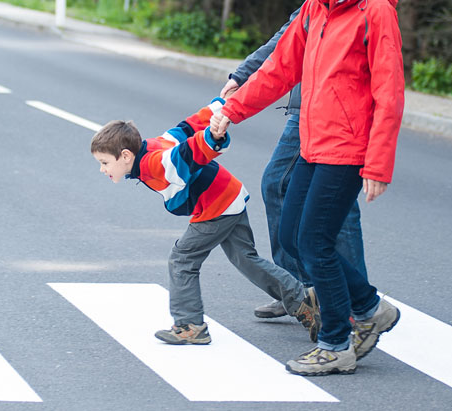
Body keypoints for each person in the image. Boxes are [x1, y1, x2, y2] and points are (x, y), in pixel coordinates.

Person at [211, 0, 403, 376]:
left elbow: (389, 92)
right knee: (298, 235)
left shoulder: (375, 8)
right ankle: (369, 305)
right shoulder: (320, 3)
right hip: (313, 142)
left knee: (316, 242)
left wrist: (378, 164)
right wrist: (230, 111)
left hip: (347, 148)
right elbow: (280, 69)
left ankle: (337, 343)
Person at [220, 0, 370, 320]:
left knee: (318, 205)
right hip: (309, 105)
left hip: (329, 114)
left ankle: (337, 300)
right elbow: (292, 37)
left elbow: (384, 86)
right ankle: (307, 292)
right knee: (295, 195)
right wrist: (244, 75)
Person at [89, 99, 320, 345]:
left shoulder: (155, 164)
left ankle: (190, 325)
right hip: (228, 195)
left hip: (217, 205)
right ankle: (302, 300)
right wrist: (221, 106)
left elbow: (189, 151)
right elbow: (187, 127)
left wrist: (212, 136)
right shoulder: (156, 145)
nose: (103, 169)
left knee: (182, 259)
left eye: (104, 163)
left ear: (125, 155)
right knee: (246, 259)